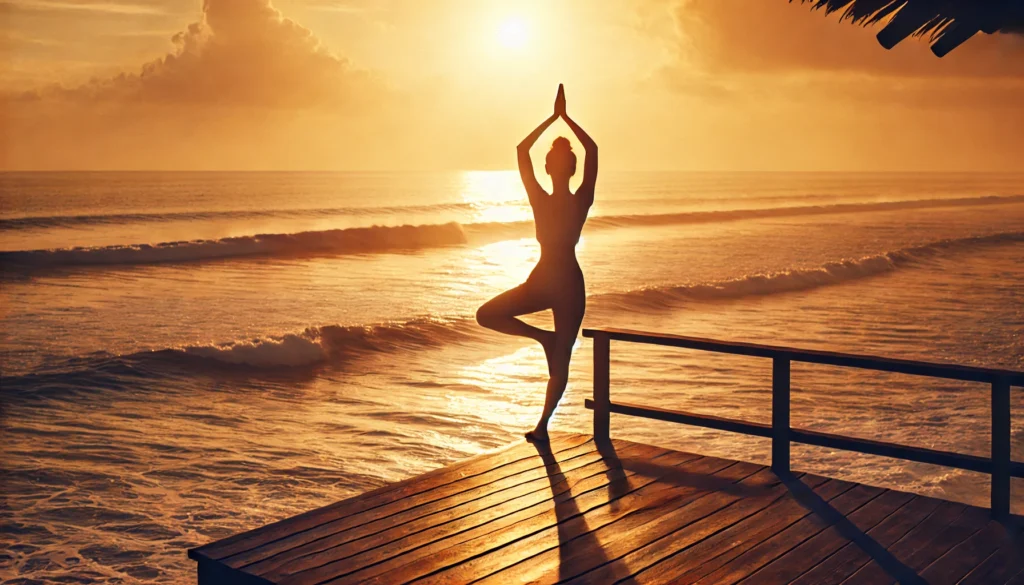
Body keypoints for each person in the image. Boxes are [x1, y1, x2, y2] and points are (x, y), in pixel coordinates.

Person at [476, 84, 598, 443]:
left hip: (566, 285)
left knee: (561, 362)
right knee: (487, 314)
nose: (556, 166)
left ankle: (543, 426)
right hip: (547, 279)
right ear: (549, 167)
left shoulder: (580, 198)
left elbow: (590, 149)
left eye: (561, 162)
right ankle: (542, 338)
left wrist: (560, 117)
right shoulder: (544, 197)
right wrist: (557, 117)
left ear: (567, 168)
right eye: (554, 161)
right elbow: (521, 150)